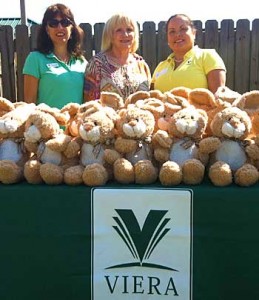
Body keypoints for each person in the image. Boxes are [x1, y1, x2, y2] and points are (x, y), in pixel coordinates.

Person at [23, 3, 87, 109]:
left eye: (65, 22)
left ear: (72, 28)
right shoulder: (35, 59)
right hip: (46, 125)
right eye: (53, 23)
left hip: (76, 125)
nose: (60, 27)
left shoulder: (82, 62)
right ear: (47, 30)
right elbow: (29, 104)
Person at [151, 14, 226, 94]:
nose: (177, 34)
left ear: (194, 33)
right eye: (172, 31)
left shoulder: (207, 56)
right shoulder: (160, 66)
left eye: (183, 29)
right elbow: (150, 99)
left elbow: (218, 99)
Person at [84, 13, 151, 101]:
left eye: (129, 30)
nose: (125, 34)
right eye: (119, 30)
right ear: (110, 36)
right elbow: (90, 104)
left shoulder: (141, 64)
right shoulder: (97, 64)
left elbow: (150, 100)